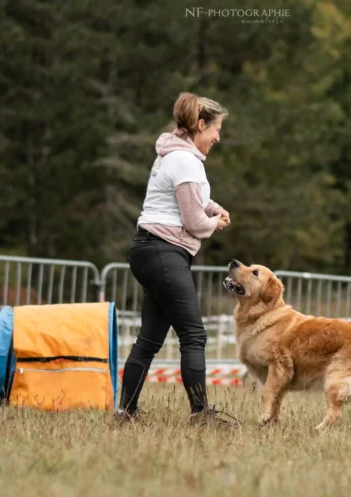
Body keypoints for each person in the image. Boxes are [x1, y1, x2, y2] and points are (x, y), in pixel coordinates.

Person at [115, 92, 237, 426]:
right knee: (193, 335)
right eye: (215, 129)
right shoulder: (184, 161)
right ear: (200, 125)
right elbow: (194, 222)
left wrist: (215, 209)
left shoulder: (177, 156)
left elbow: (196, 200)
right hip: (163, 251)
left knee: (150, 338)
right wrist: (213, 222)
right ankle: (200, 415)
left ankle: (125, 413)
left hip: (151, 249)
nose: (218, 137)